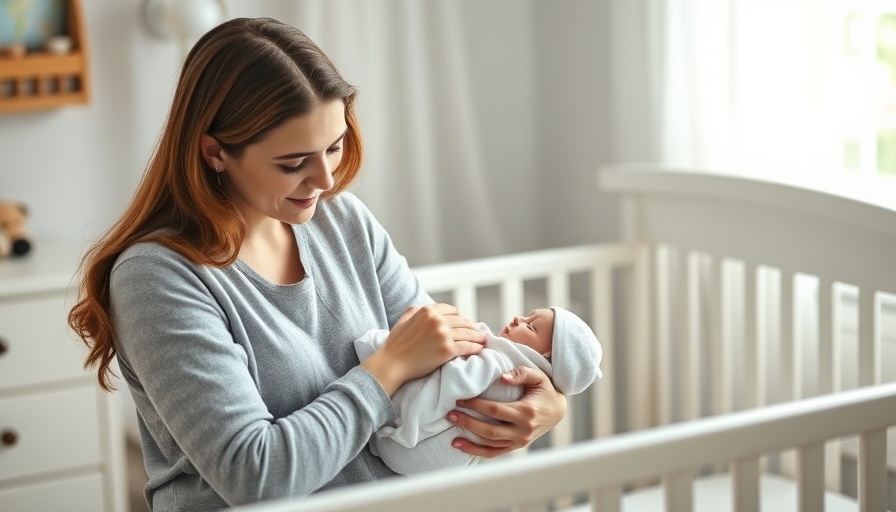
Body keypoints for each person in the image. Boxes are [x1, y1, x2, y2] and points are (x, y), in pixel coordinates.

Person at [66, 17, 567, 512]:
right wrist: (386, 369)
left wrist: (540, 399)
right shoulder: (157, 276)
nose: (326, 179)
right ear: (215, 151)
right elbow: (254, 477)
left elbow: (441, 367)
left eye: (334, 145)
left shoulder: (343, 221)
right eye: (293, 163)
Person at [354, 306, 602, 475]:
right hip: (413, 463)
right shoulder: (504, 363)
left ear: (546, 357)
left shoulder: (505, 370)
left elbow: (456, 381)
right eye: (527, 316)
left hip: (408, 445)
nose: (518, 318)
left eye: (531, 326)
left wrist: (409, 424)